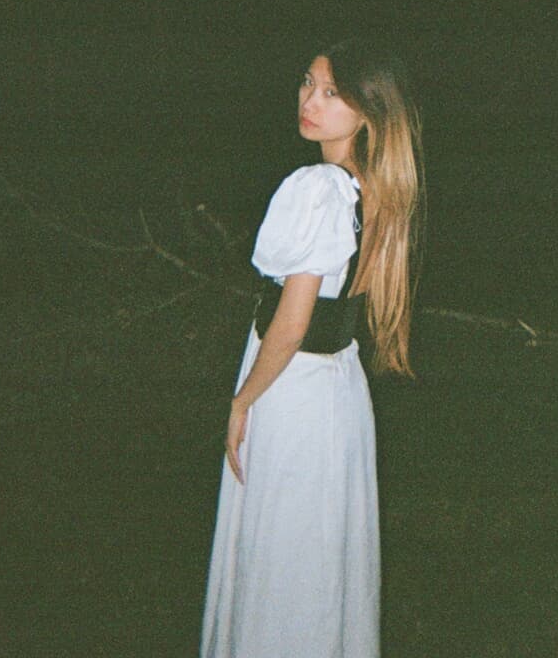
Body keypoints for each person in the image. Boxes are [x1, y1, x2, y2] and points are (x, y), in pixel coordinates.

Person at [200, 38, 425, 658]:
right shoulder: (375, 187)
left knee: (285, 559)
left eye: (332, 93)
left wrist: (242, 400)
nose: (310, 101)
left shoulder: (320, 187)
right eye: (308, 83)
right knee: (320, 557)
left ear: (366, 113)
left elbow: (293, 323)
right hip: (339, 389)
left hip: (293, 389)